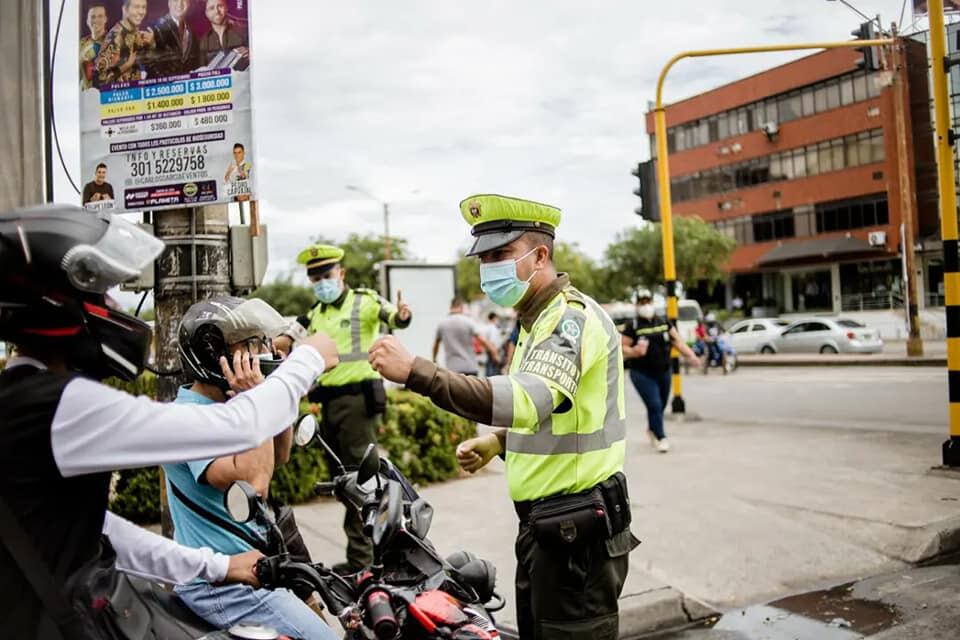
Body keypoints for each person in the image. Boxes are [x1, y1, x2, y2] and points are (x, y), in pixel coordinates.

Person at [0, 204, 340, 638]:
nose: (113, 306)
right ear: (56, 304)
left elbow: (98, 528)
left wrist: (213, 565)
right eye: (101, 294)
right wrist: (309, 358)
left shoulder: (25, 401)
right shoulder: (57, 405)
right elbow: (237, 428)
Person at [369, 194, 639, 640]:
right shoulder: (534, 323)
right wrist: (500, 442)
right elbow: (556, 419)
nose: (488, 267)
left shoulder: (570, 320)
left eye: (501, 255)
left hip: (577, 534)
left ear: (540, 256)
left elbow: (526, 401)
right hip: (547, 529)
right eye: (484, 258)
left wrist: (419, 372)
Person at [165, 297, 338, 639]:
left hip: (257, 570)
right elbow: (255, 481)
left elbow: (281, 452)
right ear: (215, 355)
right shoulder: (189, 418)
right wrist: (259, 399)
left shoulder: (229, 403)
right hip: (221, 587)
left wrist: (277, 395)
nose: (262, 353)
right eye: (250, 345)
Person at [290, 243, 411, 574]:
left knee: (361, 482)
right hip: (329, 405)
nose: (321, 283)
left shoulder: (365, 301)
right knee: (344, 484)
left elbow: (394, 318)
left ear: (341, 274)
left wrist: (402, 315)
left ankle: (366, 563)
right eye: (315, 279)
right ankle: (362, 556)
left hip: (358, 402)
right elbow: (289, 339)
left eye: (326, 275)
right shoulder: (315, 314)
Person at [621, 289, 699, 453]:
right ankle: (661, 437)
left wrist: (691, 356)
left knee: (660, 405)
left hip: (663, 371)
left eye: (648, 302)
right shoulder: (633, 326)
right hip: (641, 373)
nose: (646, 306)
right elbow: (622, 347)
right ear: (637, 305)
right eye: (642, 303)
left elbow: (677, 341)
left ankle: (652, 429)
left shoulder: (663, 322)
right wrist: (633, 351)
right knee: (654, 404)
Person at [94, 0, 156, 85]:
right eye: (136, 7)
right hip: (120, 95)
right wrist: (126, 66)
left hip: (137, 92)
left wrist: (151, 43)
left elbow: (149, 59)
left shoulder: (135, 31)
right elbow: (99, 79)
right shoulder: (115, 37)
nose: (141, 12)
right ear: (125, 10)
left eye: (143, 7)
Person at [433, 297, 498, 376]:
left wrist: (434, 359)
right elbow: (482, 340)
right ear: (461, 307)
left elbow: (436, 344)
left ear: (450, 307)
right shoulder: (468, 321)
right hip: (470, 367)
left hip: (452, 370)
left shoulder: (442, 324)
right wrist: (493, 352)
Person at [147, 0, 200, 78]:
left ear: (189, 4)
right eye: (175, 0)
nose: (180, 4)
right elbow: (150, 64)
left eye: (184, 0)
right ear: (169, 3)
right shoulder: (156, 28)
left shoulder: (192, 32)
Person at [199, 0, 249, 66]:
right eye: (211, 8)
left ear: (226, 8)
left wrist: (252, 52)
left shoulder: (244, 31)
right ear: (206, 13)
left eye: (220, 6)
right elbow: (202, 70)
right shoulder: (203, 41)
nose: (217, 11)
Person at [79, 4, 108, 90]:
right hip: (86, 94)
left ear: (105, 19)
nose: (96, 20)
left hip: (108, 94)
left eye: (100, 16)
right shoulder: (80, 45)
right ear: (87, 21)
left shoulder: (113, 42)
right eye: (93, 17)